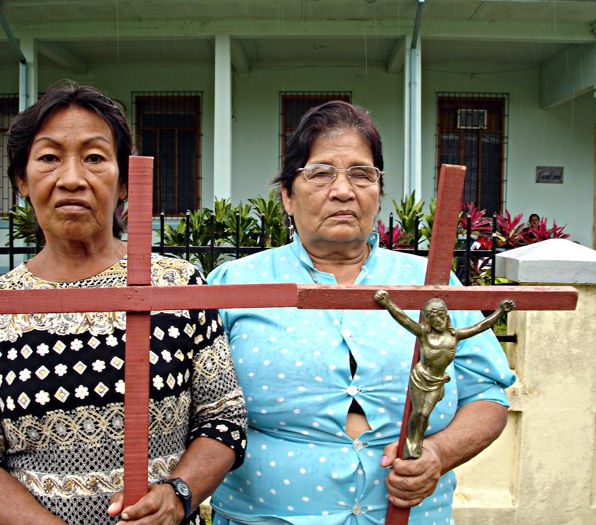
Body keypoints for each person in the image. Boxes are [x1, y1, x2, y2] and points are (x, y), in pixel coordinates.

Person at [0, 81, 247, 525]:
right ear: (22, 182)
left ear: (124, 182)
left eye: (95, 158)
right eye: (48, 158)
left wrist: (178, 496)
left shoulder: (177, 287)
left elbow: (225, 419)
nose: (72, 178)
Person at [207, 100, 515, 524]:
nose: (343, 190)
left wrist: (438, 454)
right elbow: (195, 406)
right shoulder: (237, 285)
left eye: (361, 174)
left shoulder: (431, 285)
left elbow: (487, 394)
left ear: (378, 191)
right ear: (287, 197)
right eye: (320, 173)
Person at [374, 291, 515, 459]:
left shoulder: (454, 335)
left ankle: (416, 438)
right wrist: (387, 302)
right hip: (421, 377)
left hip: (438, 380)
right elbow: (403, 319)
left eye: (441, 315)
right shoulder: (423, 333)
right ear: (428, 319)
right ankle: (413, 442)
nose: (439, 320)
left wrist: (501, 311)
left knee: (425, 414)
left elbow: (480, 326)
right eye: (434, 317)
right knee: (418, 413)